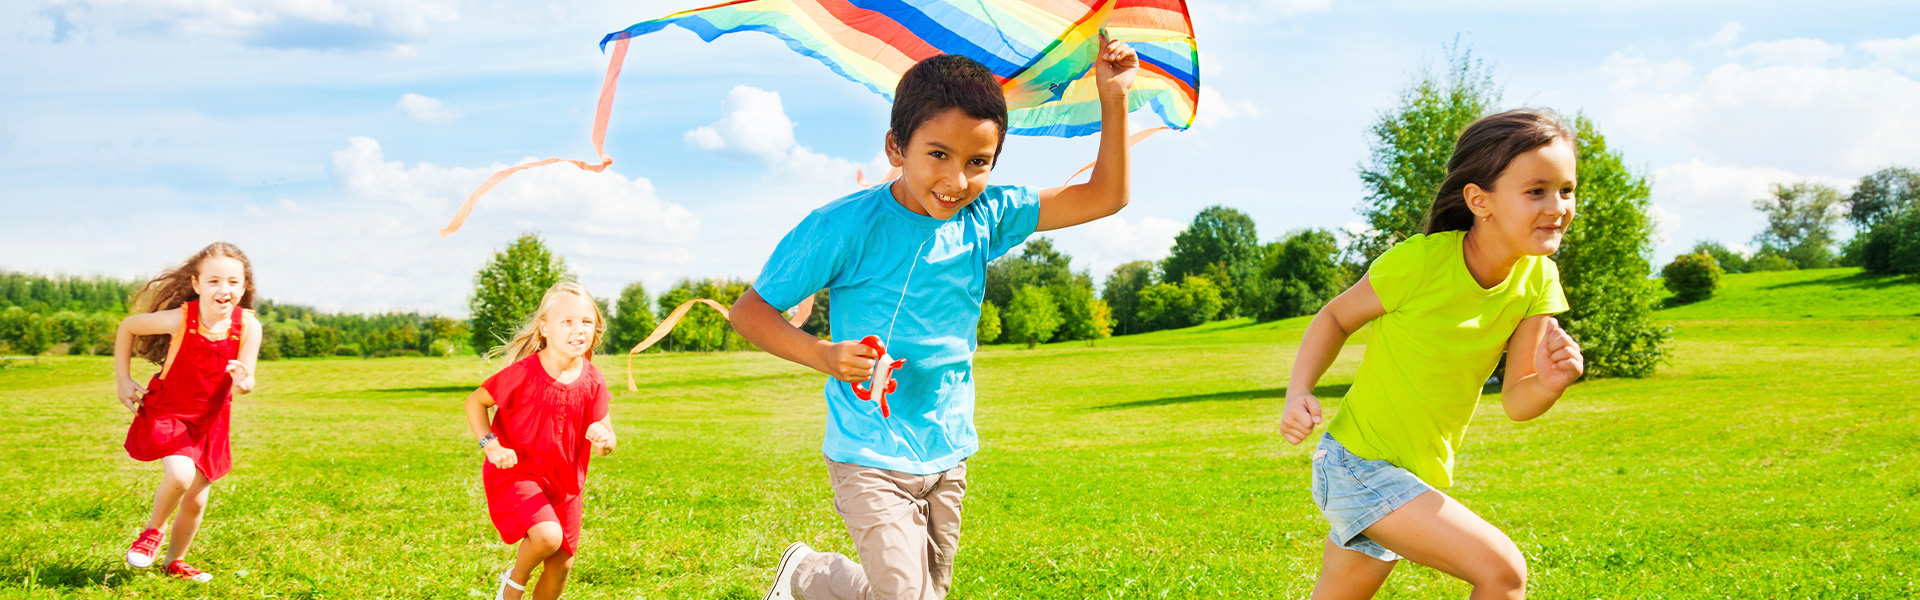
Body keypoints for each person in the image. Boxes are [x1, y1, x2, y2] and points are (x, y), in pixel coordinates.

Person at [729, 37, 1141, 600]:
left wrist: (1112, 98)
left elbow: (1104, 196)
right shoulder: (843, 227)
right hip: (868, 453)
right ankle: (808, 576)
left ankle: (807, 576)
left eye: (978, 163)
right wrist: (824, 355)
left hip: (947, 450)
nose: (956, 181)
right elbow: (751, 312)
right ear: (897, 147)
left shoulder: (990, 214)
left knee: (921, 594)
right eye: (938, 155)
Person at [1279, 108, 1588, 599]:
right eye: (1536, 190)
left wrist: (1551, 383)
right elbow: (1334, 318)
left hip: (1415, 475)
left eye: (1566, 190)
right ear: (1478, 200)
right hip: (1358, 464)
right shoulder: (1420, 262)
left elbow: (1516, 402)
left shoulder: (1538, 279)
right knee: (1503, 572)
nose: (1558, 206)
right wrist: (1300, 393)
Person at [114, 241, 263, 583]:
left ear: (244, 287)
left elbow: (248, 380)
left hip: (211, 420)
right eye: (213, 281)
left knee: (196, 500)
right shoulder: (181, 319)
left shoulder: (249, 327)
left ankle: (174, 562)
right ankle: (152, 533)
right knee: (180, 476)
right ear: (197, 285)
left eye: (232, 282)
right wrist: (123, 379)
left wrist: (243, 381)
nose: (223, 289)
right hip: (169, 412)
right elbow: (128, 326)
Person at [462, 282, 618, 600]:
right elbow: (475, 402)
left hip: (566, 485)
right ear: (544, 328)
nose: (579, 330)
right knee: (547, 537)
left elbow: (607, 441)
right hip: (518, 474)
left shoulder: (593, 380)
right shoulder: (521, 374)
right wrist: (490, 444)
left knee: (562, 562)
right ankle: (512, 584)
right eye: (567, 321)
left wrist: (604, 439)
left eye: (587, 322)